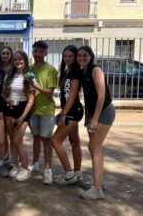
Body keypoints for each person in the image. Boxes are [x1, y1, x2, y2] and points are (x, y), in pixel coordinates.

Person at [77, 46, 115, 200]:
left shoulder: (95, 70)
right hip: (93, 113)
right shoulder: (84, 71)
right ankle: (98, 182)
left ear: (91, 56)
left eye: (85, 55)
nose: (82, 58)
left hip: (104, 112)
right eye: (79, 55)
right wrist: (89, 117)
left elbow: (101, 96)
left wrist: (95, 119)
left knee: (94, 147)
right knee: (95, 148)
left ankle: (97, 190)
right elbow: (88, 98)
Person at [52, 45, 84, 185]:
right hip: (70, 111)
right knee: (75, 142)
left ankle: (69, 174)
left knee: (55, 140)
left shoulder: (75, 72)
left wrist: (64, 114)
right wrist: (62, 111)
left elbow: (72, 95)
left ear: (75, 57)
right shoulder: (67, 71)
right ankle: (78, 173)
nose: (67, 58)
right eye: (65, 56)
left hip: (73, 112)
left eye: (70, 56)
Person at [2, 51, 35, 182]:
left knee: (17, 140)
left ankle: (26, 168)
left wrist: (22, 117)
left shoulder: (30, 77)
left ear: (25, 60)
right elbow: (4, 94)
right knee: (12, 138)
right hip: (9, 109)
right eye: (15, 59)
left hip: (23, 110)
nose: (18, 61)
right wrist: (7, 100)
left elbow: (31, 100)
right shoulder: (9, 76)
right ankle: (16, 165)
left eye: (20, 59)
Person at [28, 40, 58, 185]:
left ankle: (48, 170)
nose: (38, 54)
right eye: (35, 51)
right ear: (32, 52)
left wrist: (35, 86)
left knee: (46, 140)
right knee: (35, 138)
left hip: (46, 111)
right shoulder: (30, 68)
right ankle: (35, 163)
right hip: (33, 110)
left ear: (46, 53)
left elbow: (49, 93)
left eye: (41, 51)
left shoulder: (51, 70)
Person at [0, 45, 14, 165]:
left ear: (11, 55)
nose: (6, 55)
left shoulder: (16, 68)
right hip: (0, 103)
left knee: (12, 132)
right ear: (0, 55)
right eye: (3, 53)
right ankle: (6, 154)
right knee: (3, 133)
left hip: (13, 103)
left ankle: (13, 157)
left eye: (8, 53)